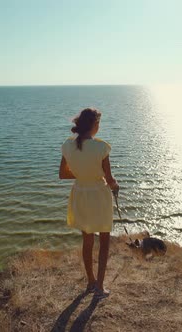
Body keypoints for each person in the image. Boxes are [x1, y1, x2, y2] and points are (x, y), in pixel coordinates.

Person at [59, 108, 119, 299]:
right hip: (99, 196)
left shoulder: (68, 145)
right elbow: (109, 179)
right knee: (104, 242)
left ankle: (91, 282)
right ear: (94, 125)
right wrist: (115, 186)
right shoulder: (101, 148)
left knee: (87, 241)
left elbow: (63, 174)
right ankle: (100, 287)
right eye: (98, 124)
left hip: (81, 195)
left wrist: (83, 174)